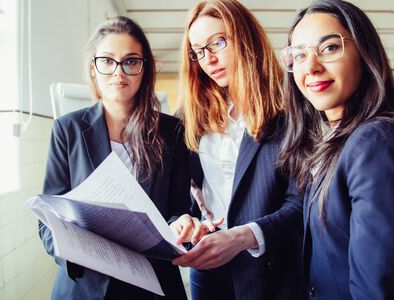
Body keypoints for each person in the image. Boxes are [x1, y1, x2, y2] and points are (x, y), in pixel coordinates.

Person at [38, 16, 190, 300]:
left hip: (153, 285)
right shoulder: (67, 129)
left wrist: (180, 223)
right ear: (93, 68)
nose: (118, 72)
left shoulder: (172, 132)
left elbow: (180, 208)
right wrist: (71, 251)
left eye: (131, 61)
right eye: (107, 61)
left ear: (145, 69)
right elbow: (47, 218)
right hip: (86, 286)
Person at [170, 0, 306, 299]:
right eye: (198, 51)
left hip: (274, 269)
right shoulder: (189, 116)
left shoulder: (291, 107)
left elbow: (301, 204)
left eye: (217, 42)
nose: (208, 59)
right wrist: (185, 222)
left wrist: (244, 236)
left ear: (245, 37)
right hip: (209, 267)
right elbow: (177, 199)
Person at [278, 0, 394, 299]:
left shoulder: (372, 141)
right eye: (300, 55)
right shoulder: (337, 139)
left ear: (364, 53)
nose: (312, 67)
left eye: (329, 48)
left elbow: (375, 288)